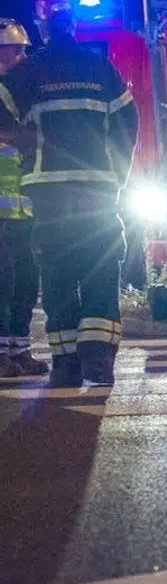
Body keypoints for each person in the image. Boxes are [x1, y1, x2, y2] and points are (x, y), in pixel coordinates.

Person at [4, 0, 138, 387]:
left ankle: (66, 365)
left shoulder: (27, 72)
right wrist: (118, 176)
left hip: (48, 192)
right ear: (74, 24)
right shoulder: (101, 67)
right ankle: (98, 361)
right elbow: (129, 125)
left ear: (43, 28)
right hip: (97, 189)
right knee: (100, 269)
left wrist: (33, 143)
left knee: (59, 274)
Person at [0, 20, 45, 376]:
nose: (23, 57)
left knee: (26, 280)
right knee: (4, 280)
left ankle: (18, 350)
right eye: (16, 50)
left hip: (22, 205)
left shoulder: (19, 91)